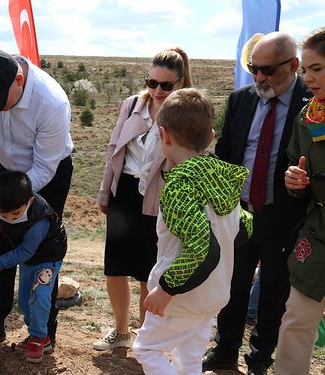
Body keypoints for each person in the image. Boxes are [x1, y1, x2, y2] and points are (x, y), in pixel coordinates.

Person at [205, 31, 311, 375]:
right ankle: (224, 351)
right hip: (239, 213)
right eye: (254, 68)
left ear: (294, 65)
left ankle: (259, 361)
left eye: (267, 69)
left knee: (273, 297)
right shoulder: (240, 99)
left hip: (285, 217)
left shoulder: (312, 105)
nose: (259, 77)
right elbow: (225, 153)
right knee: (232, 289)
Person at [132, 88, 251, 375]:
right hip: (214, 294)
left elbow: (203, 247)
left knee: (147, 350)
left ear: (165, 135)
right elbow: (245, 227)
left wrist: (167, 288)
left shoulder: (180, 186)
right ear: (210, 136)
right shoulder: (222, 180)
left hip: (180, 297)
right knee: (190, 357)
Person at [0, 48, 73, 346]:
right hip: (4, 170)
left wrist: (2, 208)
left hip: (46, 177)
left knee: (40, 252)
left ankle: (43, 333)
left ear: (19, 80)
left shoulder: (52, 103)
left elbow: (42, 170)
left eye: (1, 104)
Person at [94, 47, 192, 351]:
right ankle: (121, 332)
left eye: (165, 85)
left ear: (180, 82)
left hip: (159, 197)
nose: (157, 91)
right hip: (124, 192)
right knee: (115, 267)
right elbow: (114, 150)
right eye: (151, 83)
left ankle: (146, 339)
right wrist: (104, 190)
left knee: (148, 272)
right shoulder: (131, 105)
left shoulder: (185, 112)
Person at [0, 171, 67, 363]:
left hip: (48, 256)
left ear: (30, 201)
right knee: (24, 301)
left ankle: (39, 336)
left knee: (40, 296)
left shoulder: (39, 220)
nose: (10, 218)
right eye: (3, 213)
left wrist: (0, 263)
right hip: (29, 260)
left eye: (16, 213)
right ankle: (40, 337)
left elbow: (25, 251)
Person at [275, 28, 325, 375]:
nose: (308, 78)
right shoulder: (307, 119)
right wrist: (294, 182)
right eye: (306, 69)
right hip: (318, 233)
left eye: (318, 69)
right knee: (297, 317)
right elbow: (298, 177)